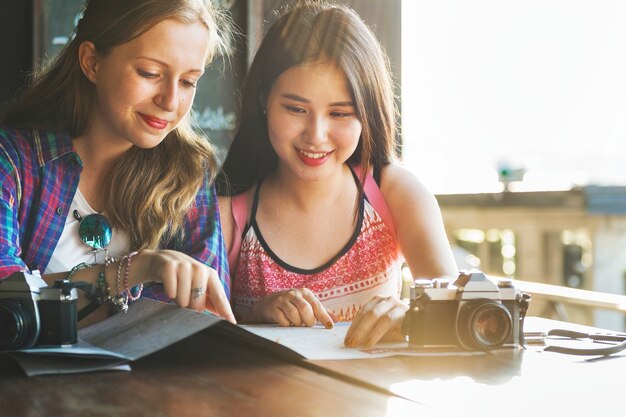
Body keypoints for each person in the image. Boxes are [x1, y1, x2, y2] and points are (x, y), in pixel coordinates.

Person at [216, 1, 457, 347]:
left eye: (340, 114)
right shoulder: (228, 213)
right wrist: (252, 321)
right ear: (263, 101)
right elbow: (196, 340)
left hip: (377, 399)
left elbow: (457, 306)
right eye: (296, 108)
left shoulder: (393, 192)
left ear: (367, 114)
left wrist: (411, 315)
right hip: (259, 400)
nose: (316, 134)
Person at [0, 0, 235, 326]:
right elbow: (7, 305)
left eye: (187, 82)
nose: (170, 101)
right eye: (150, 73)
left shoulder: (191, 173)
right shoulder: (11, 161)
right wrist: (137, 269)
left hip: (154, 378)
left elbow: (204, 310)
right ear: (92, 62)